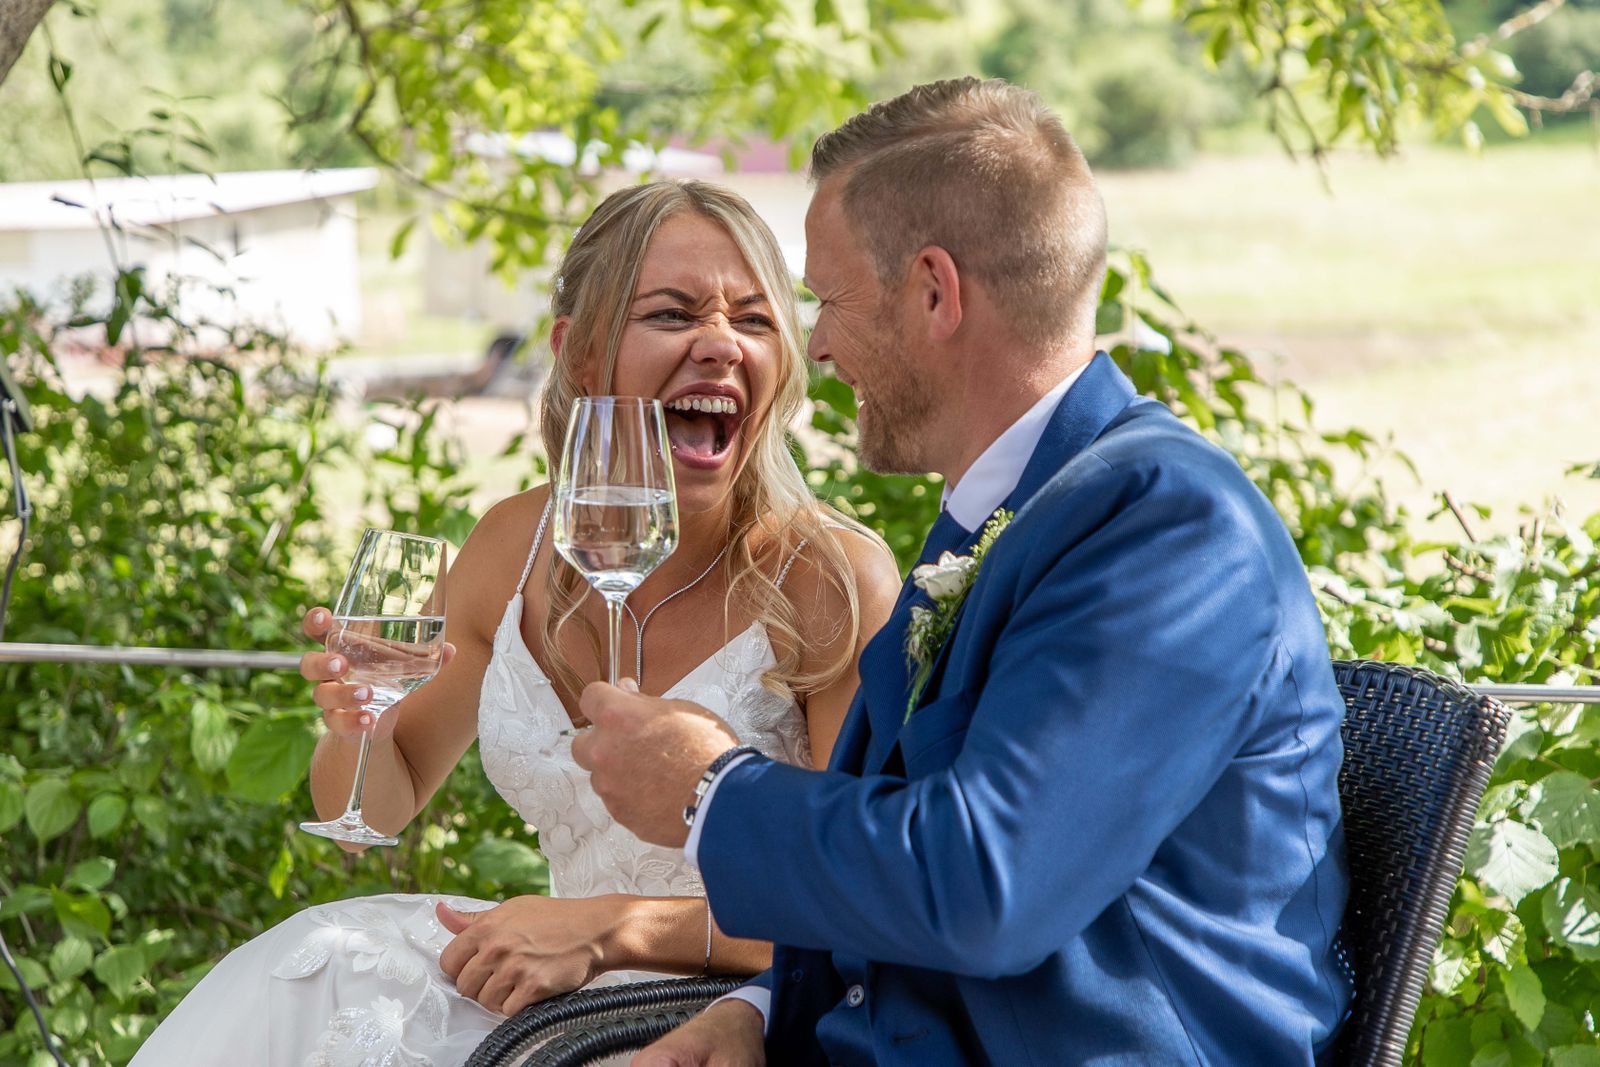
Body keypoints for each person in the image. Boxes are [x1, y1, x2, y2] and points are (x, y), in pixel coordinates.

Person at [571, 78, 1353, 1066]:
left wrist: (708, 789)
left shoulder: (1172, 528)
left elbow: (985, 884)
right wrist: (760, 1012)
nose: (813, 344)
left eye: (827, 298)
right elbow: (902, 857)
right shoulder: (1005, 513)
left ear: (934, 292)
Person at [128, 179, 900, 1066]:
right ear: (579, 355)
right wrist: (356, 721)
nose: (720, 343)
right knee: (317, 969)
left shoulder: (826, 578)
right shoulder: (512, 546)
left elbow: (866, 906)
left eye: (756, 320)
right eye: (673, 313)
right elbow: (376, 807)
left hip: (728, 1012)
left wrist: (607, 929)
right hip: (548, 977)